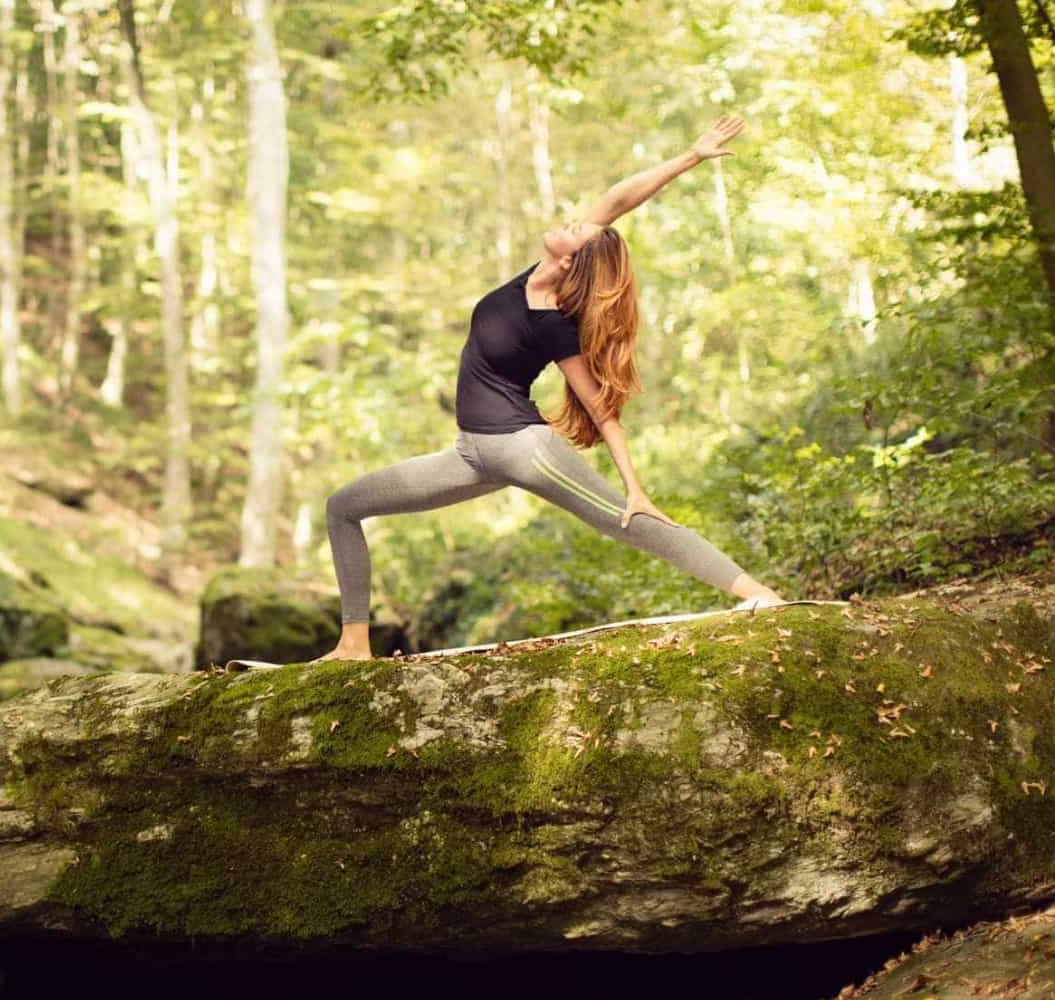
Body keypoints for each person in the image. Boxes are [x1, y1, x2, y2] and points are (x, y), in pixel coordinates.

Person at [316, 114, 787, 663]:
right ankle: (353, 644)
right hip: (472, 455)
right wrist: (690, 156)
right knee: (343, 507)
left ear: (573, 260)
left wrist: (635, 486)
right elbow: (619, 198)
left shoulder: (553, 321)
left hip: (524, 450)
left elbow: (600, 410)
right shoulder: (535, 273)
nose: (573, 219)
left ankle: (759, 594)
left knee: (627, 519)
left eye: (577, 228)